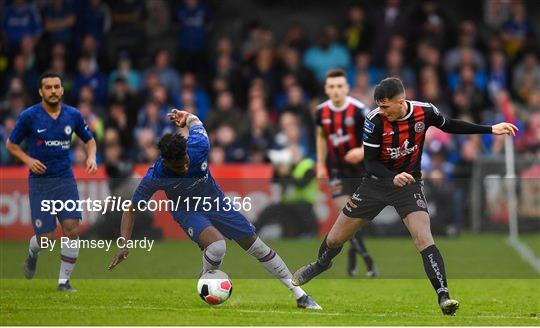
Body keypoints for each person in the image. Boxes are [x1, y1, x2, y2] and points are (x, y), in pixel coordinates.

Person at [292, 77, 518, 315]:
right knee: (336, 238)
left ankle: (444, 297)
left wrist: (490, 129)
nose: (381, 111)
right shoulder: (374, 121)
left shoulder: (425, 112)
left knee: (424, 238)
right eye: (379, 106)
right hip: (375, 185)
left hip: (408, 185)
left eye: (385, 106)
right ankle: (320, 264)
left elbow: (450, 124)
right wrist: (392, 177)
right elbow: (369, 163)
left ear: (401, 101)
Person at [108, 109, 322, 310]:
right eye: (177, 167)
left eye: (185, 162)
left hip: (215, 201)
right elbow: (131, 209)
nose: (184, 167)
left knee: (257, 246)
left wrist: (186, 115)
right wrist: (124, 244)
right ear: (165, 162)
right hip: (187, 210)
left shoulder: (199, 145)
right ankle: (206, 279)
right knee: (218, 247)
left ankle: (300, 295)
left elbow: (195, 122)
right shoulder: (155, 176)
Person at [6, 72, 97, 292]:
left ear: (62, 90)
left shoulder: (72, 115)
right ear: (41, 92)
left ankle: (63, 282)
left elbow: (90, 140)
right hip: (40, 182)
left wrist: (91, 156)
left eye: (57, 86)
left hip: (64, 179)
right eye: (49, 87)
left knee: (72, 229)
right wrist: (28, 160)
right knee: (46, 239)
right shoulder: (30, 116)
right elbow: (11, 144)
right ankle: (32, 254)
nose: (54, 91)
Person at [315, 69, 377, 277]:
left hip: (359, 170)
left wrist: (361, 150)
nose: (336, 90)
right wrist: (321, 164)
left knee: (356, 219)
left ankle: (352, 257)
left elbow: (373, 135)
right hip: (336, 170)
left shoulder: (359, 110)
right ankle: (368, 258)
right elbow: (321, 138)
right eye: (331, 87)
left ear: (347, 88)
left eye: (340, 86)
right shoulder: (321, 112)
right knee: (346, 214)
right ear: (326, 89)